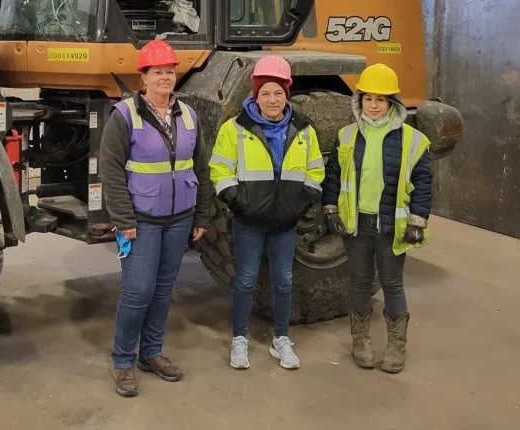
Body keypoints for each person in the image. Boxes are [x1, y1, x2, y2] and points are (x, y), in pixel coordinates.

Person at [100, 40, 212, 398]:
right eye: (158, 71)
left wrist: (202, 213)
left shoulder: (189, 115)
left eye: (170, 71)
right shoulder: (124, 115)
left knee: (164, 290)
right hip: (142, 219)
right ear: (143, 76)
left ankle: (150, 354)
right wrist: (123, 217)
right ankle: (122, 361)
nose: (166, 77)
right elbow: (111, 171)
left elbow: (201, 168)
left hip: (180, 218)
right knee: (138, 291)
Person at [209, 56, 325, 371]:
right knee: (245, 280)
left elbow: (316, 169)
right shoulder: (235, 129)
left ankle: (281, 339)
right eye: (265, 93)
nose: (272, 100)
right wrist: (237, 200)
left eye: (278, 93)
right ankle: (239, 339)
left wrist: (304, 201)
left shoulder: (303, 129)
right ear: (255, 95)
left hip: (285, 221)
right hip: (248, 220)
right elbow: (219, 168)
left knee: (284, 281)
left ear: (286, 94)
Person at [321, 63, 433, 374]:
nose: (373, 105)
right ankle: (361, 341)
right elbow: (333, 177)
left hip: (391, 227)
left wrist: (417, 220)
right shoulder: (346, 136)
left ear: (392, 104)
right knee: (359, 282)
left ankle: (396, 347)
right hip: (357, 224)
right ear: (359, 102)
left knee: (392, 284)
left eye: (380, 100)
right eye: (368, 98)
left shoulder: (413, 140)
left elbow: (423, 183)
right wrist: (330, 209)